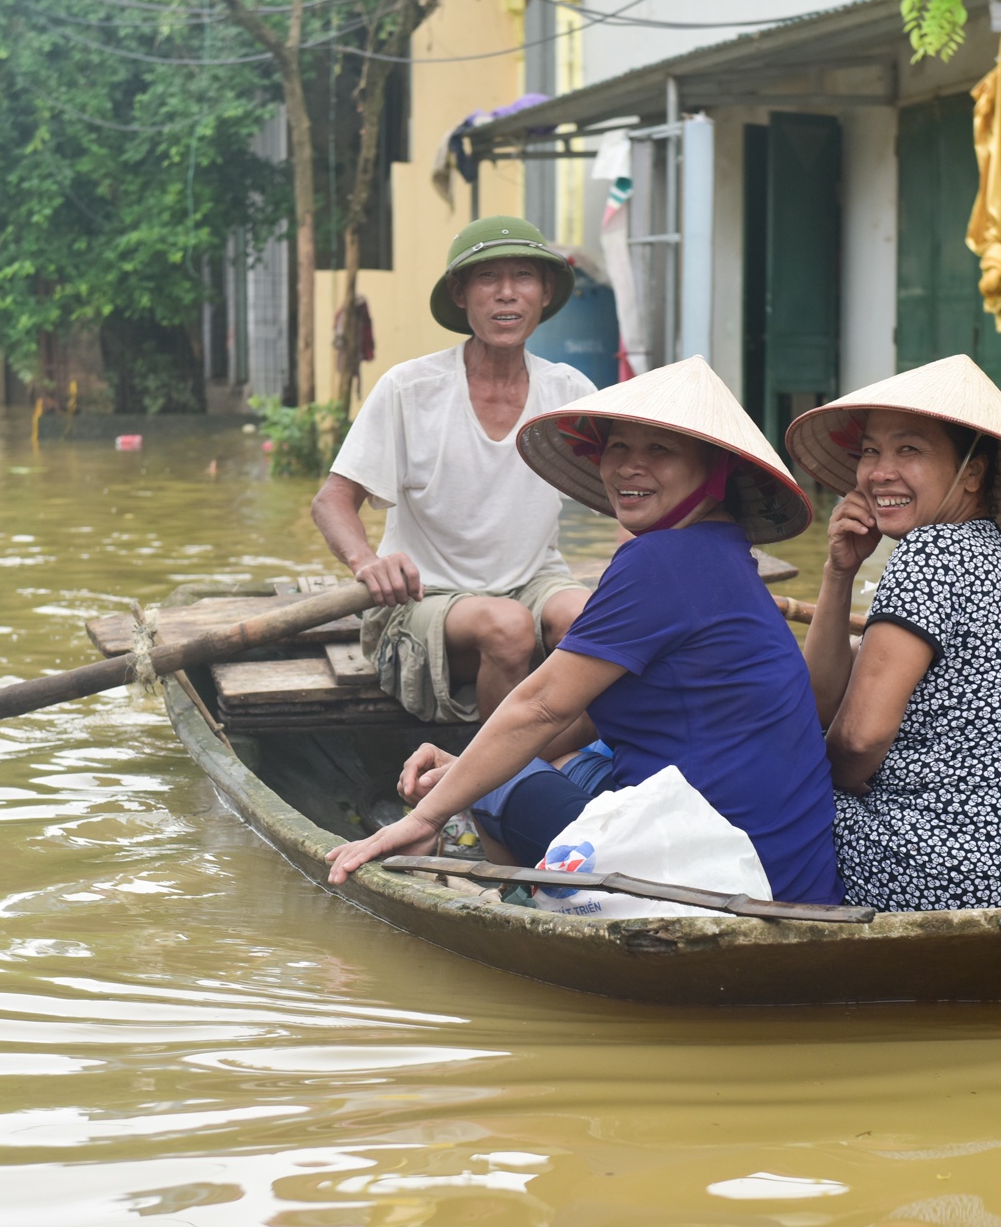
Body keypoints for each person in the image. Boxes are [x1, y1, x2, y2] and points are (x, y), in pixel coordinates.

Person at [325, 357, 843, 907]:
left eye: (660, 450)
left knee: (500, 786)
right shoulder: (725, 549)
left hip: (711, 877)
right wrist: (465, 771)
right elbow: (583, 708)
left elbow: (540, 706)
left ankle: (520, 902)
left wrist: (428, 815)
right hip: (792, 873)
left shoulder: (656, 561)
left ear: (715, 471)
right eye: (618, 447)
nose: (629, 467)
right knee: (550, 763)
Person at [785, 354, 1001, 912]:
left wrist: (796, 779)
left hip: (943, 872)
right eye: (870, 451)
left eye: (909, 450)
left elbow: (857, 740)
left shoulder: (931, 552)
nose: (879, 473)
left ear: (971, 473)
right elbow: (821, 701)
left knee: (755, 783)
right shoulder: (988, 552)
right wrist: (839, 572)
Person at [312, 216, 598, 726]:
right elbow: (332, 501)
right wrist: (366, 561)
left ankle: (559, 760)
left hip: (536, 582)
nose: (507, 293)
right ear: (460, 293)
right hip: (426, 599)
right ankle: (498, 771)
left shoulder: (570, 390)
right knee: (507, 627)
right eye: (488, 278)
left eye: (523, 277)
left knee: (593, 623)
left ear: (546, 291)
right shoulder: (410, 388)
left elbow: (624, 492)